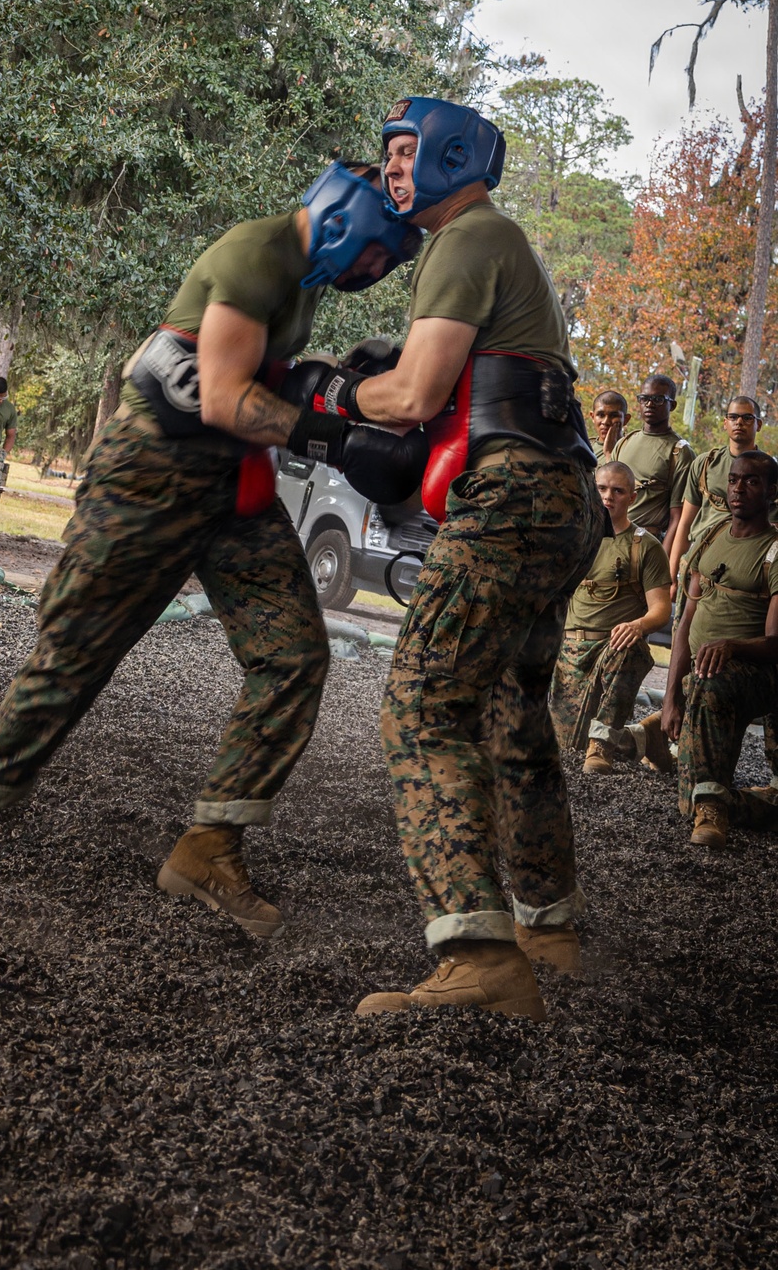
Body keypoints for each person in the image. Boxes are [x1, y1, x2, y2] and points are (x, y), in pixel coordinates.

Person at [0, 162, 425, 940]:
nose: (380, 267)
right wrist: (333, 434)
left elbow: (258, 377)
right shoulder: (258, 252)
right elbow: (217, 395)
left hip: (232, 487)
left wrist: (337, 388)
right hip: (152, 472)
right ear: (350, 218)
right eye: (383, 249)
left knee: (294, 655)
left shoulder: (306, 278)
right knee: (75, 651)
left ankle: (208, 846)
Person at [283, 97, 604, 1021]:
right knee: (510, 710)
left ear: (453, 155)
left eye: (403, 151)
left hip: (512, 496)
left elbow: (417, 394)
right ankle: (548, 928)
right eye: (386, 155)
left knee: (423, 703)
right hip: (561, 496)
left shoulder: (465, 239)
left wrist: (335, 395)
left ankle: (476, 955)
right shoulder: (498, 243)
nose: (391, 168)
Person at [606, 452, 778, 850]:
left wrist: (732, 646)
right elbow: (685, 622)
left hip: (753, 675)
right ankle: (690, 775)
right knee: (702, 682)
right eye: (733, 480)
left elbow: (775, 644)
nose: (738, 489)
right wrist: (670, 698)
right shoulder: (712, 536)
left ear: (772, 492)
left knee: (711, 681)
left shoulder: (773, 551)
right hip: (703, 674)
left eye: (752, 482)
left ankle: (712, 808)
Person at [549, 462, 670, 773]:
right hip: (569, 652)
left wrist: (638, 625)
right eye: (601, 488)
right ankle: (644, 737)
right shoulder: (572, 538)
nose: (608, 496)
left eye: (618, 490)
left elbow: (661, 609)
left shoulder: (645, 546)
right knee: (568, 746)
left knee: (630, 648)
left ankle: (602, 745)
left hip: (611, 651)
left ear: (632, 497)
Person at [668, 395, 766, 592]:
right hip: (697, 558)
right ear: (725, 422)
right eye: (733, 417)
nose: (739, 422)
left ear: (759, 425)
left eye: (747, 418)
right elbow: (685, 523)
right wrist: (672, 575)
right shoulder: (705, 463)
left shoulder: (768, 470)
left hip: (739, 569)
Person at [610, 375, 693, 554]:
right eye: (644, 398)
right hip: (610, 539)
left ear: (672, 405)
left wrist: (664, 559)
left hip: (647, 546)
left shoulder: (679, 452)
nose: (649, 404)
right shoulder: (624, 443)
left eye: (658, 399)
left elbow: (678, 518)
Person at [590, 388, 629, 466]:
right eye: (601, 415)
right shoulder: (586, 448)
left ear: (626, 419)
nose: (606, 422)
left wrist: (610, 454)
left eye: (614, 416)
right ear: (593, 417)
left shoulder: (631, 448)